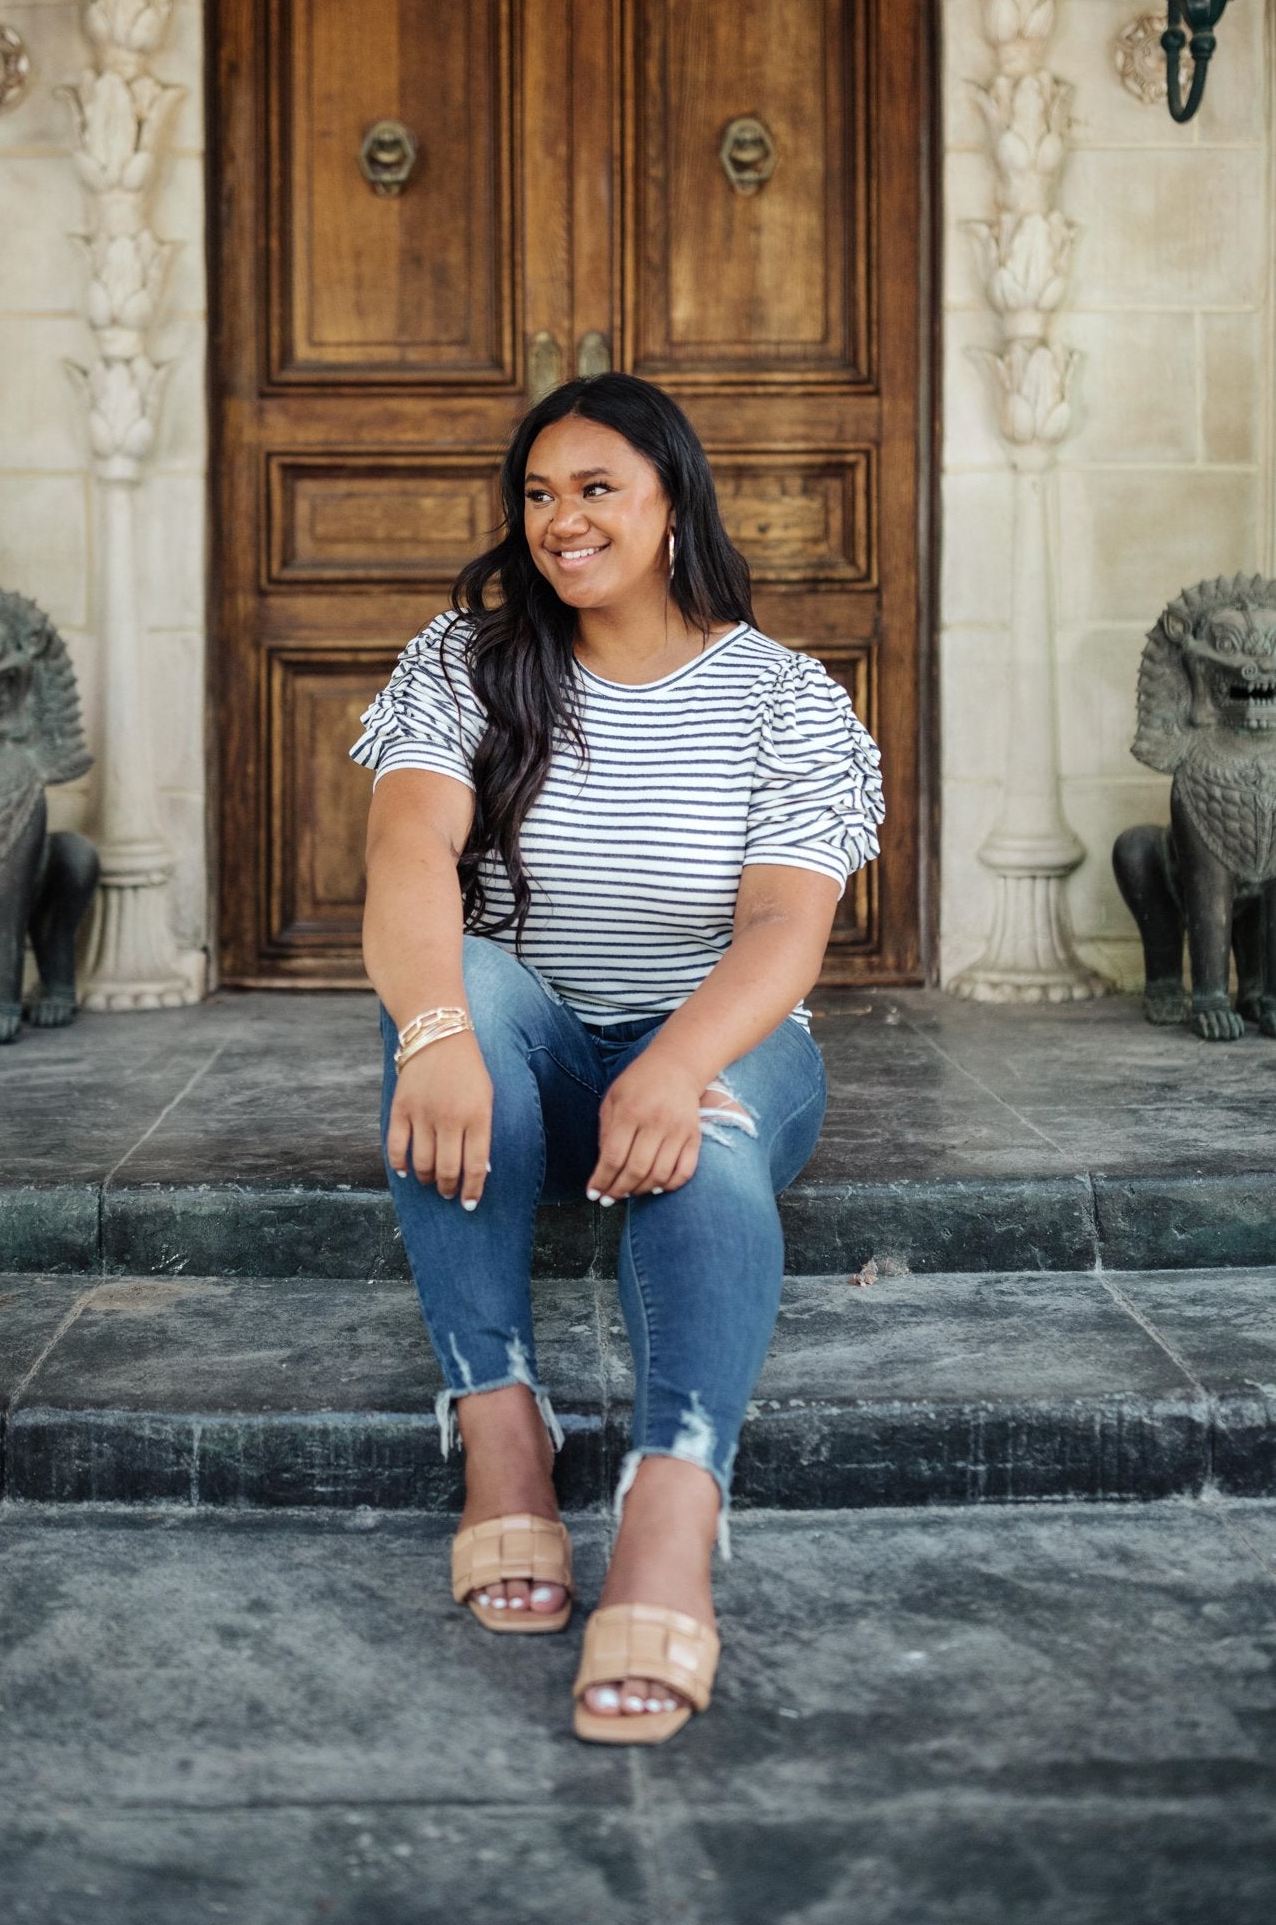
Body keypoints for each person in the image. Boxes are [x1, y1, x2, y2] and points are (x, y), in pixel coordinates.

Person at [353, 373, 883, 1744]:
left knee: (704, 1134)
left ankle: (667, 1510)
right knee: (457, 986)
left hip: (723, 1034)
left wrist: (673, 1060)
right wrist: (431, 1032)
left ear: (670, 509)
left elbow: (783, 922)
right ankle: (500, 1429)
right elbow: (408, 848)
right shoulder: (465, 658)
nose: (558, 521)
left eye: (596, 490)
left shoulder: (784, 696)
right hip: (522, 1028)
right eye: (536, 494)